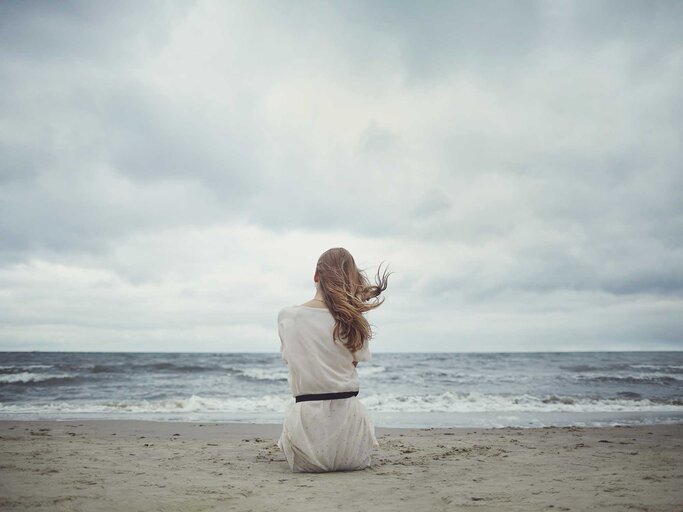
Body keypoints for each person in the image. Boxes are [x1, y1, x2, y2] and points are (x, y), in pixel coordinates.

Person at [277, 247, 392, 473]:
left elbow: (292, 361)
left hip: (306, 437)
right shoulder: (353, 320)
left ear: (316, 276)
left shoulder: (287, 316)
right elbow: (352, 363)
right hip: (353, 444)